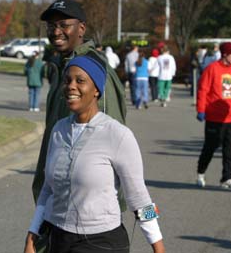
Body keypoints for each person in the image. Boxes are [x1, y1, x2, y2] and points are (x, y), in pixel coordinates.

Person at [24, 55, 165, 253]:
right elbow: (48, 190)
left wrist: (159, 247)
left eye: (80, 81)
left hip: (102, 242)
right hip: (59, 239)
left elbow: (140, 199)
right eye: (67, 81)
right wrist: (32, 235)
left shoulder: (117, 134)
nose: (71, 86)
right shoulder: (58, 130)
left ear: (97, 89)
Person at [32, 0, 127, 205]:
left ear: (81, 28)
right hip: (58, 202)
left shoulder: (94, 71)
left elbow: (113, 140)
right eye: (51, 25)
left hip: (88, 209)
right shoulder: (62, 66)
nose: (56, 31)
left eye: (64, 25)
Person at [196, 42, 231, 189]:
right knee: (210, 146)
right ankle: (201, 172)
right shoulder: (212, 69)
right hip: (214, 117)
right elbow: (203, 90)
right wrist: (201, 109)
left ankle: (226, 178)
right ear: (225, 54)